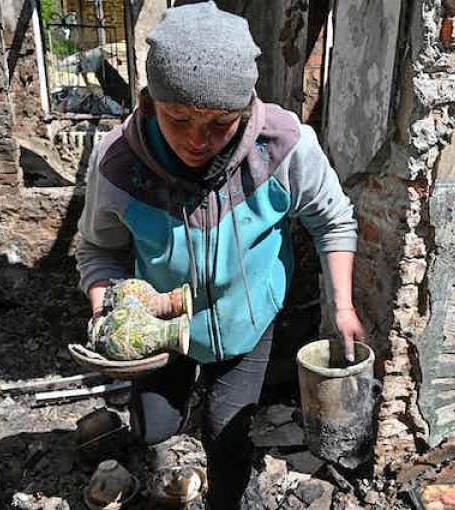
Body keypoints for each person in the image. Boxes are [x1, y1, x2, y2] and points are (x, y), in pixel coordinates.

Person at [75, 2, 366, 507]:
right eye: (178, 118)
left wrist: (342, 307)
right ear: (149, 103)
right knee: (155, 427)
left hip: (244, 322)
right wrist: (109, 314)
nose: (196, 139)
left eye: (220, 123)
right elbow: (98, 249)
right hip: (158, 328)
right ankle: (151, 452)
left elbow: (333, 219)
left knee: (226, 433)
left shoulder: (285, 147)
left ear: (247, 107)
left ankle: (231, 495)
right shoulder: (118, 162)